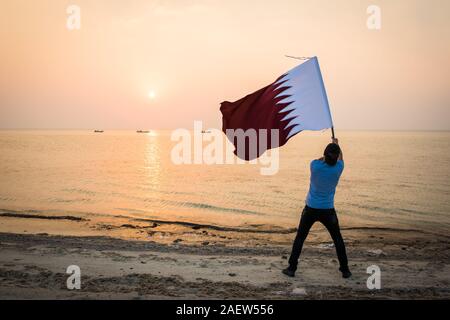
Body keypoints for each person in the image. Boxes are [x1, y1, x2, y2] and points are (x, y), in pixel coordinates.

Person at [282, 137, 351, 278]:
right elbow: (340, 159)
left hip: (311, 209)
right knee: (337, 239)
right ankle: (345, 270)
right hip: (328, 210)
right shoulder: (339, 168)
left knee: (300, 238)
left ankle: (292, 268)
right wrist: (337, 145)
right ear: (337, 157)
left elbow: (321, 159)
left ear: (325, 155)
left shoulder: (315, 165)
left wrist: (331, 149)